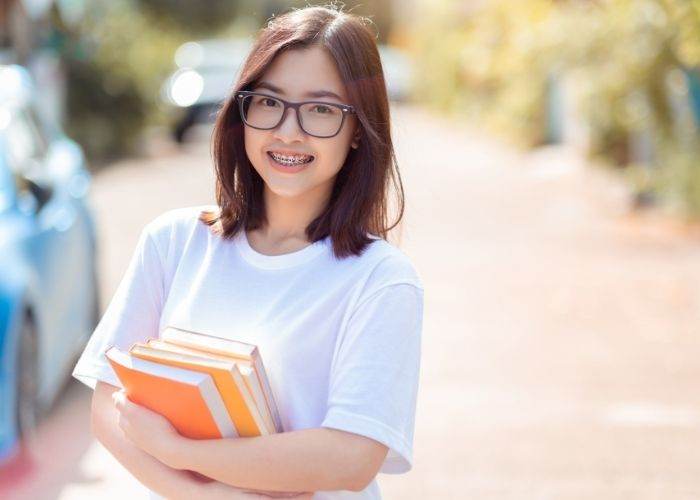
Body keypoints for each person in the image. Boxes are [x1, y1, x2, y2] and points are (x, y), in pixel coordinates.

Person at [72, 4, 424, 499]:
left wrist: (182, 453)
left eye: (322, 109)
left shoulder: (381, 279)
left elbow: (352, 456)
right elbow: (109, 402)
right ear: (243, 111)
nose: (288, 131)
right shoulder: (174, 241)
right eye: (269, 102)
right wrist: (206, 496)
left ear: (360, 132)